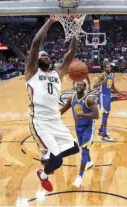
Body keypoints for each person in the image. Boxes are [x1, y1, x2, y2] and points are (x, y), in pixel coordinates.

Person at [25, 16, 80, 192]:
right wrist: (50, 21)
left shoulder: (58, 73)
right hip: (40, 121)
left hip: (55, 120)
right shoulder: (32, 73)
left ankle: (47, 159)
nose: (46, 56)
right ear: (37, 60)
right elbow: (35, 44)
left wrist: (75, 30)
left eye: (48, 55)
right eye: (43, 55)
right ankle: (43, 174)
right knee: (58, 161)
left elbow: (71, 52)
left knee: (74, 148)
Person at [60, 81, 99, 188]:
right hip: (78, 128)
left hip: (88, 127)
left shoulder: (89, 99)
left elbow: (96, 115)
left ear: (85, 88)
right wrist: (53, 118)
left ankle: (79, 177)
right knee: (83, 148)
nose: (79, 86)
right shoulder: (71, 99)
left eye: (81, 85)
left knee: (84, 150)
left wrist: (82, 114)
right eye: (78, 84)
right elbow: (62, 110)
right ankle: (89, 162)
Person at [93, 62, 121, 141]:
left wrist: (119, 93)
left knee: (107, 114)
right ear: (104, 68)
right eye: (107, 67)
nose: (109, 68)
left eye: (109, 67)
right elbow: (94, 86)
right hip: (102, 96)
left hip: (108, 96)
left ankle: (101, 130)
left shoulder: (111, 75)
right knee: (105, 114)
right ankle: (104, 135)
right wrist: (101, 83)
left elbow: (112, 86)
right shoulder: (102, 75)